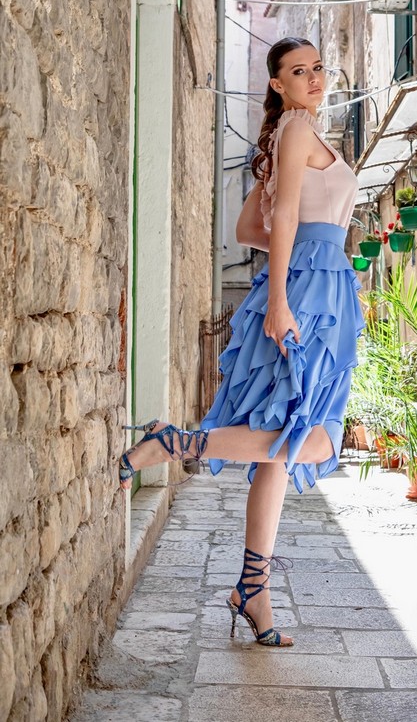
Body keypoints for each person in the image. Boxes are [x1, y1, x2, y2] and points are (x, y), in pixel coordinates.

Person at [118, 37, 364, 647]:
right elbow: (282, 219)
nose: (314, 77)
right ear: (278, 84)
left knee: (282, 446)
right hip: (308, 292)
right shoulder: (298, 128)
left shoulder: (293, 134)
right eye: (299, 71)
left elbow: (250, 225)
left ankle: (253, 588)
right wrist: (280, 299)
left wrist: (301, 249)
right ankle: (176, 443)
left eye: (318, 67)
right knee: (312, 438)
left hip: (323, 286)